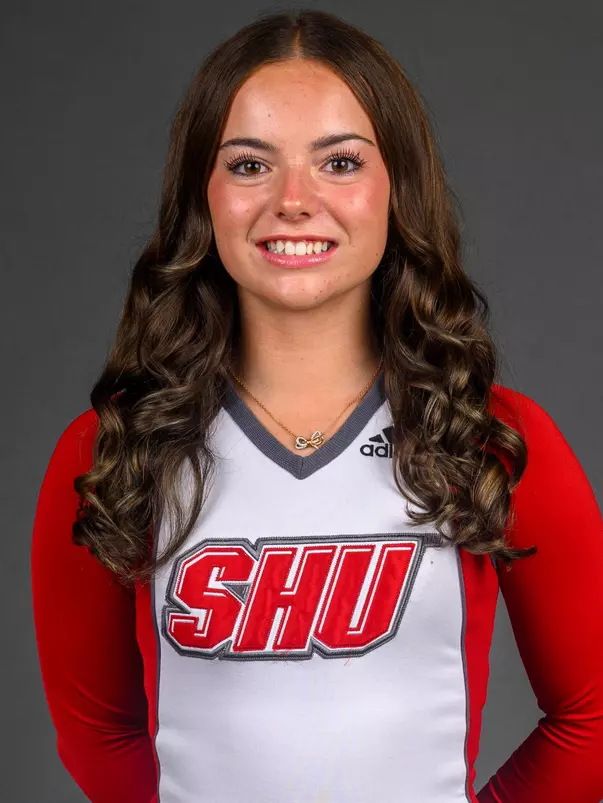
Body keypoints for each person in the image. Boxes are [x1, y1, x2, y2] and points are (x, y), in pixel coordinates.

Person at [30, 9, 603, 803]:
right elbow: (96, 732)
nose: (292, 201)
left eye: (338, 162)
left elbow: (591, 714)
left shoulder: (490, 438)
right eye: (249, 165)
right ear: (203, 194)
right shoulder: (113, 448)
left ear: (395, 185)